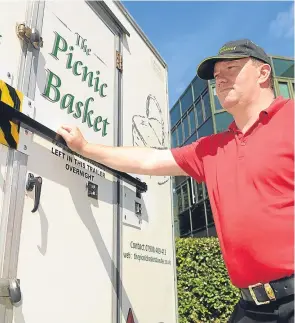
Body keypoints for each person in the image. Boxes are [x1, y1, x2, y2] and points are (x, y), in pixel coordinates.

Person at [57, 39, 294, 322]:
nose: (221, 79)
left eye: (231, 67)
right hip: (251, 308)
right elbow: (149, 160)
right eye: (217, 75)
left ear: (263, 73)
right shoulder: (211, 149)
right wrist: (86, 148)